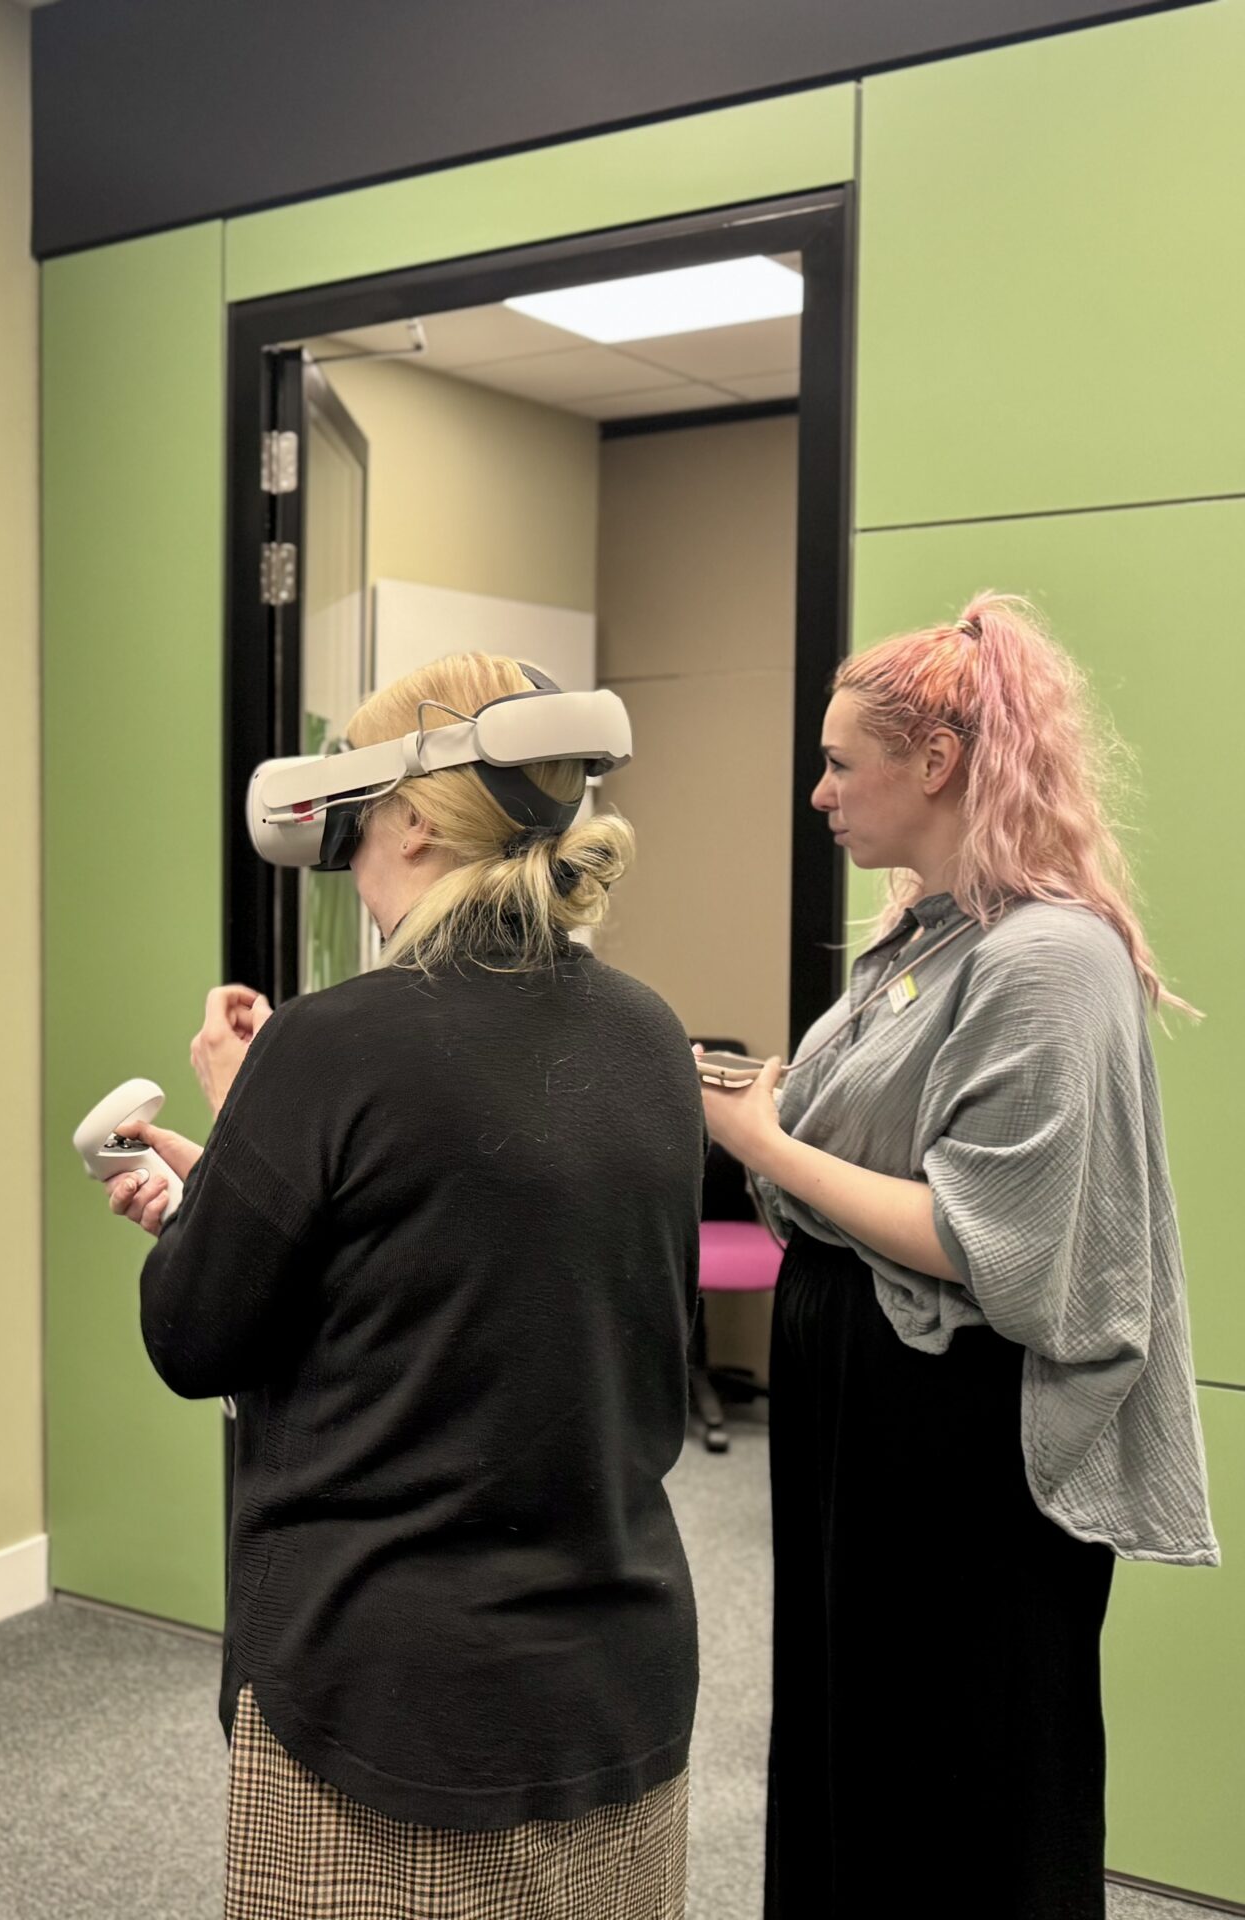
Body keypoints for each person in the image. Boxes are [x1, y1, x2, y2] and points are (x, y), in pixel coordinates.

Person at [105, 652, 702, 1920]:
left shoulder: (330, 1045)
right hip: (618, 1680)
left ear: (415, 818)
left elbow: (193, 1337)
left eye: (362, 815)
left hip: (386, 1704)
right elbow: (479, 1266)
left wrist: (246, 1135)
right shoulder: (648, 1032)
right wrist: (247, 1175)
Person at [701, 593, 1216, 1920]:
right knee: (858, 1745)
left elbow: (989, 1241)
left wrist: (762, 1143)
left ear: (934, 762)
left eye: (838, 763)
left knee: (966, 1772)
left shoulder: (1049, 958)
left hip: (957, 1429)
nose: (818, 794)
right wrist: (771, 1114)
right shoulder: (923, 937)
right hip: (862, 1403)